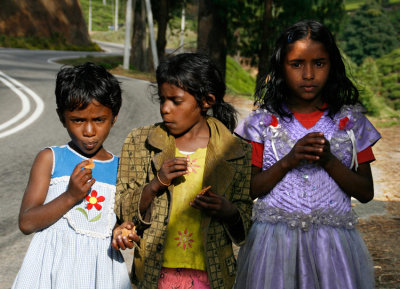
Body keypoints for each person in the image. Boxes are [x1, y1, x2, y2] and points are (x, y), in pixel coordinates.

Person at [233, 20, 381, 289]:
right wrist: (288, 161)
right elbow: (248, 189)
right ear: (281, 67)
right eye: (297, 64)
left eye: (319, 63)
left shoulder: (350, 123)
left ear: (332, 66)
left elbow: (366, 192)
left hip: (332, 248)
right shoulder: (261, 125)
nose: (309, 74)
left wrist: (328, 161)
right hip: (275, 247)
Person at [112, 53, 253, 289]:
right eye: (162, 99)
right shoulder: (140, 142)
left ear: (206, 101)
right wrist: (156, 184)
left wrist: (227, 211)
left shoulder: (236, 152)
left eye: (176, 101)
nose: (165, 109)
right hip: (154, 273)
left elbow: (245, 228)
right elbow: (122, 209)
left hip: (212, 276)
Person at [12, 62, 133, 289]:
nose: (89, 131)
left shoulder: (121, 168)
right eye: (78, 120)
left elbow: (119, 222)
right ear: (62, 117)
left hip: (100, 275)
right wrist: (70, 196)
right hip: (51, 273)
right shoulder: (50, 159)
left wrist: (123, 230)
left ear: (114, 117)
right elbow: (27, 223)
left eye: (99, 120)